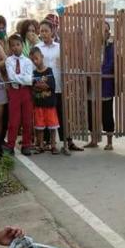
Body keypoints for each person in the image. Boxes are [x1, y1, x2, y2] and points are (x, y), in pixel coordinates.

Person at [37, 19, 82, 153]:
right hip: (44, 87)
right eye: (41, 31)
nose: (44, 34)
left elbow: (66, 65)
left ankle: (67, 141)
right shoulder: (38, 48)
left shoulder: (59, 47)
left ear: (52, 31)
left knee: (63, 114)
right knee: (45, 114)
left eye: (46, 31)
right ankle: (46, 143)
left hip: (59, 87)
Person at [86, 21, 115, 150]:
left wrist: (99, 73)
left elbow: (111, 63)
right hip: (91, 84)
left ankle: (109, 142)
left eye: (107, 30)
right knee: (91, 112)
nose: (105, 33)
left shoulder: (111, 46)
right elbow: (85, 61)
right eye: (102, 30)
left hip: (105, 84)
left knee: (107, 113)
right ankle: (93, 140)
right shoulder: (89, 46)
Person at [4, 33, 34, 155]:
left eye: (18, 44)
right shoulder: (9, 61)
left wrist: (19, 78)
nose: (15, 47)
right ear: (10, 48)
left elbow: (29, 80)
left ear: (22, 45)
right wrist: (21, 78)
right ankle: (10, 144)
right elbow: (11, 77)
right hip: (14, 91)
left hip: (25, 91)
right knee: (14, 120)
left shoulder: (28, 61)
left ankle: (26, 144)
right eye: (13, 45)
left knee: (27, 119)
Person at [29, 45, 60, 154]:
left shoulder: (49, 70)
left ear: (42, 57)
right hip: (39, 105)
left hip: (50, 104)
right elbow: (33, 87)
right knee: (39, 127)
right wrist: (41, 86)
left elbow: (51, 85)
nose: (35, 61)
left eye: (36, 58)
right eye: (33, 60)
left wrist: (40, 86)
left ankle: (53, 145)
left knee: (52, 126)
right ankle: (40, 145)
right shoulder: (33, 74)